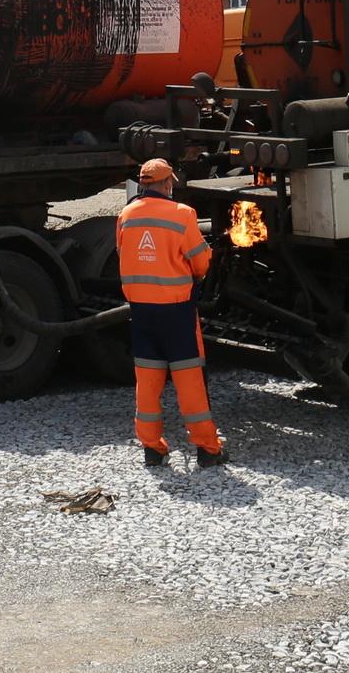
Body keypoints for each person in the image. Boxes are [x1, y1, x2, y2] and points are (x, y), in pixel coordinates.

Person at [116, 158, 225, 467]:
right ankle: (207, 449)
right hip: (176, 312)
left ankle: (152, 448)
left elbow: (124, 254)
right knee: (189, 381)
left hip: (141, 311)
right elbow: (200, 264)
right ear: (166, 184)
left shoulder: (125, 216)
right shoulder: (182, 214)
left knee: (148, 381)